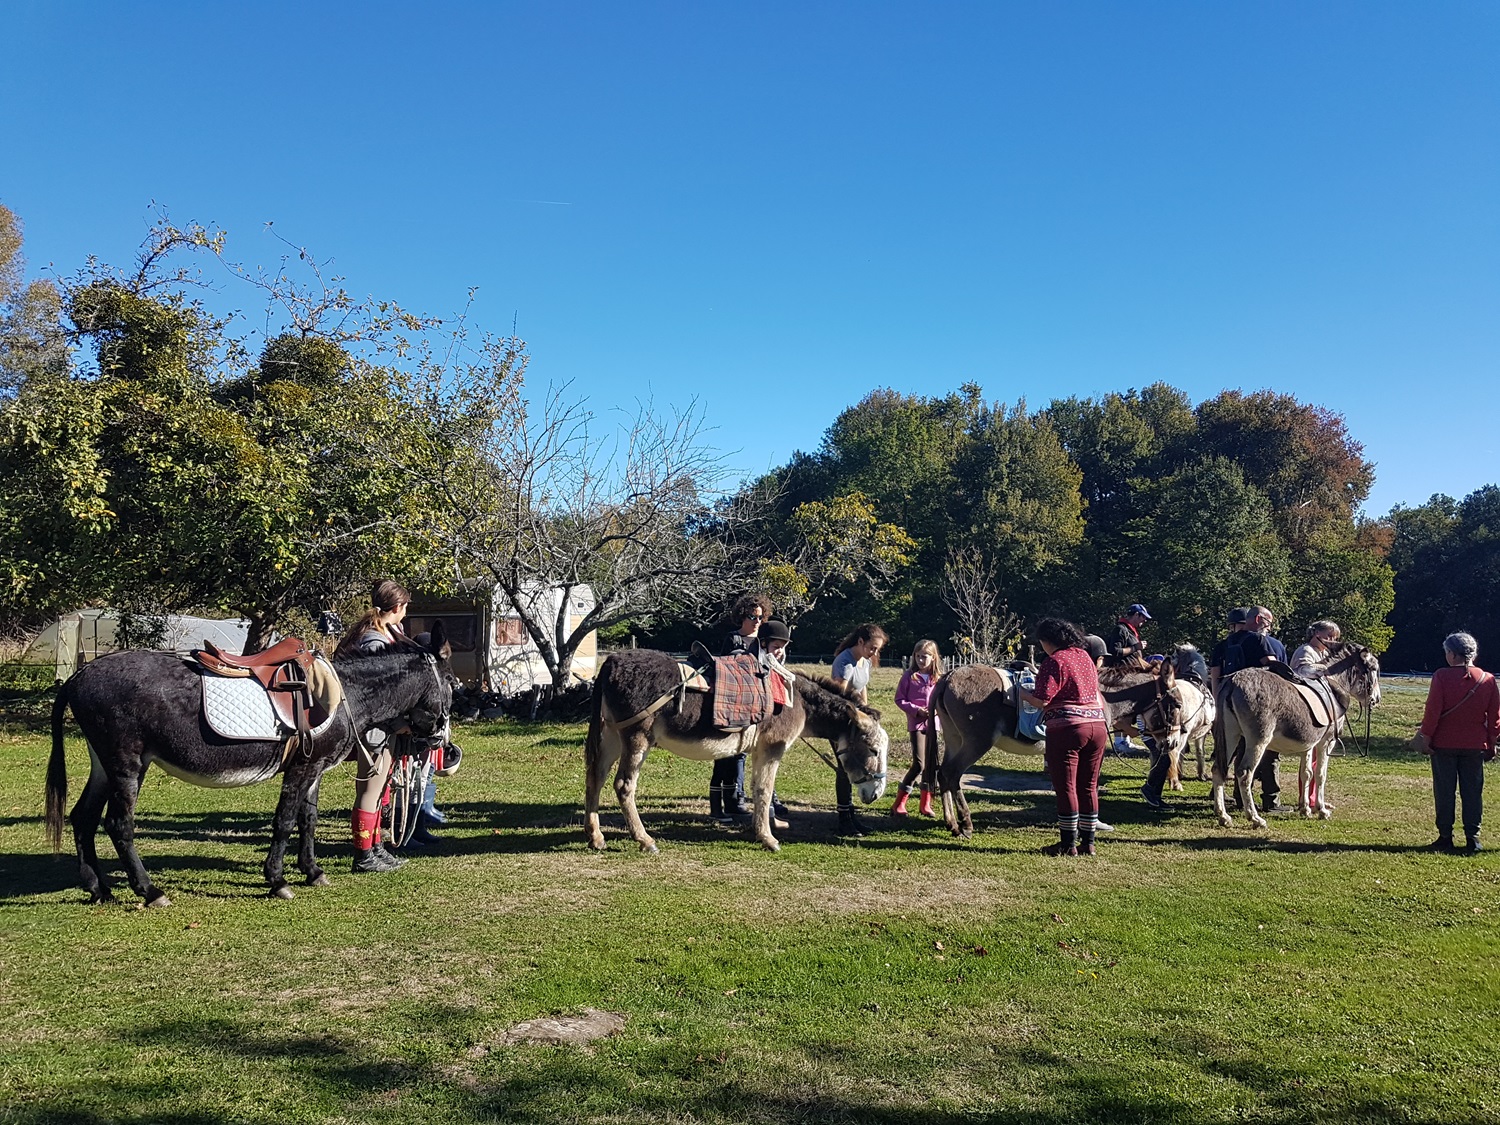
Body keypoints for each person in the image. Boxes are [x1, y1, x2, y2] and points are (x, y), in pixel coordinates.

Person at [335, 579, 413, 874]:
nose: (405, 612)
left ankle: (376, 847)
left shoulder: (378, 634)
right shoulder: (374, 642)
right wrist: (397, 723)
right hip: (374, 728)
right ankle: (364, 856)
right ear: (397, 607)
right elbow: (376, 696)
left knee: (380, 790)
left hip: (381, 727)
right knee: (369, 790)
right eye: (405, 607)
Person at [1019, 618, 1108, 856]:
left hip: (1068, 728)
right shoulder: (1085, 657)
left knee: (1066, 786)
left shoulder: (1053, 661)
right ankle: (1088, 843)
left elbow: (1042, 700)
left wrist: (1022, 693)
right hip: (1097, 726)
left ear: (1048, 641)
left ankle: (1068, 844)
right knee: (1089, 786)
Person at [1419, 632, 1499, 854]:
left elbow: (1432, 711)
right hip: (1475, 744)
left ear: (1452, 654)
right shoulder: (1488, 679)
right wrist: (1492, 743)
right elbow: (1494, 716)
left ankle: (1445, 836)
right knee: (1473, 792)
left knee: (1444, 791)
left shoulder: (1441, 676)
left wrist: (1426, 737)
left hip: (1443, 743)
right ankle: (1473, 837)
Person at [708, 593, 772, 823]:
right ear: (741, 617)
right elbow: (725, 668)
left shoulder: (763, 642)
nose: (757, 621)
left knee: (741, 755)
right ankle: (717, 806)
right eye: (752, 616)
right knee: (723, 755)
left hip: (754, 704)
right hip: (730, 702)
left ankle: (735, 800)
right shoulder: (732, 639)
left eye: (760, 616)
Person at [830, 623, 888, 836]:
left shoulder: (864, 662)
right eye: (872, 647)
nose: (875, 652)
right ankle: (844, 817)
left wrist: (868, 714)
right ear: (860, 642)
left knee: (857, 766)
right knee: (844, 769)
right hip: (843, 721)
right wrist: (853, 718)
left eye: (878, 649)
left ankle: (852, 815)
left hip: (858, 720)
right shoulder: (845, 662)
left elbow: (862, 689)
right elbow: (839, 695)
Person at [1237, 606, 1288, 811]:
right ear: (1259, 619)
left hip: (1235, 703)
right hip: (1267, 704)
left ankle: (1239, 797)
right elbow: (1282, 674)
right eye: (1269, 622)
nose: (1270, 626)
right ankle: (1271, 799)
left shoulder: (1229, 642)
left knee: (1241, 750)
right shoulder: (1270, 643)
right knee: (1270, 753)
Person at [892, 639, 941, 818]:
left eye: (925, 657)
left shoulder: (938, 679)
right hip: (917, 724)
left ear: (933, 657)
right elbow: (899, 699)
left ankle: (925, 804)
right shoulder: (909, 676)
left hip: (933, 725)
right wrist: (915, 710)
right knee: (919, 764)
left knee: (931, 765)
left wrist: (936, 712)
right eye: (918, 656)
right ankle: (899, 803)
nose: (921, 660)